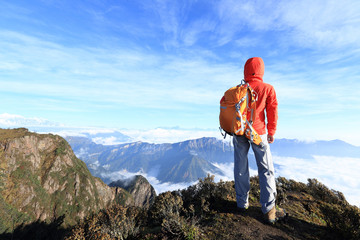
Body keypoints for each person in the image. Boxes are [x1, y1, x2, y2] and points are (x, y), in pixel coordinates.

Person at [233, 57, 285, 223]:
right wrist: (271, 131)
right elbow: (272, 111)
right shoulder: (268, 88)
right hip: (258, 132)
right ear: (262, 70)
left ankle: (242, 204)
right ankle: (269, 210)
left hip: (240, 131)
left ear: (246, 70)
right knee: (266, 168)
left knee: (240, 166)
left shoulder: (239, 89)